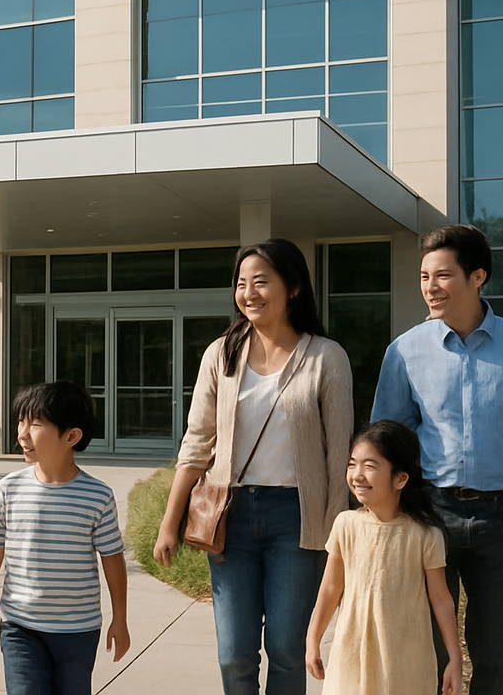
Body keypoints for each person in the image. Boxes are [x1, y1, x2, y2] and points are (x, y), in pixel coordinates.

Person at [371, 224, 503, 695]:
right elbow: (387, 441)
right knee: (428, 652)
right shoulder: (404, 352)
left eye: (442, 275)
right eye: (424, 276)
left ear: (477, 276)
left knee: (495, 654)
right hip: (429, 514)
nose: (430, 287)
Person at [152, 239, 353, 695]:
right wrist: (170, 521)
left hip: (297, 519)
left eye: (261, 281)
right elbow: (196, 444)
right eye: (241, 283)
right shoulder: (221, 354)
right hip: (231, 515)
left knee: (286, 648)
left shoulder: (326, 357)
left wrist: (337, 535)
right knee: (234, 653)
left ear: (294, 287)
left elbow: (338, 453)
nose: (249, 293)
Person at [0, 380, 129, 695]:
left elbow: (113, 562)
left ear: (71, 436)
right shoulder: (8, 489)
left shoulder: (97, 496)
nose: (22, 433)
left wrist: (120, 619)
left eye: (35, 424)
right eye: (20, 421)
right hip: (20, 626)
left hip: (78, 631)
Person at [305, 419, 462, 695]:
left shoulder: (424, 535)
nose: (356, 475)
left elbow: (441, 600)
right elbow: (330, 589)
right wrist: (312, 639)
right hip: (350, 659)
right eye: (352, 464)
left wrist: (454, 658)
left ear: (400, 478)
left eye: (370, 466)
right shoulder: (345, 525)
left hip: (406, 666)